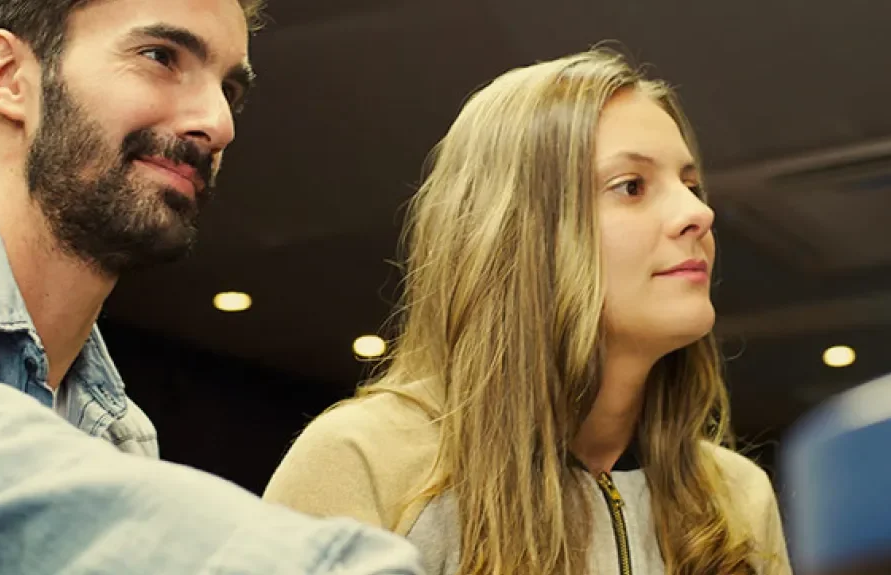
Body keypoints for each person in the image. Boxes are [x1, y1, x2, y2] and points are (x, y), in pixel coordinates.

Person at [0, 0, 422, 573]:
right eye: (161, 57)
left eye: (229, 88)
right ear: (7, 77)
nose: (219, 122)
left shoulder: (121, 436)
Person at [263, 48, 792, 575]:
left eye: (691, 185)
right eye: (631, 186)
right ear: (521, 236)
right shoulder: (367, 462)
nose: (698, 212)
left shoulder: (736, 496)